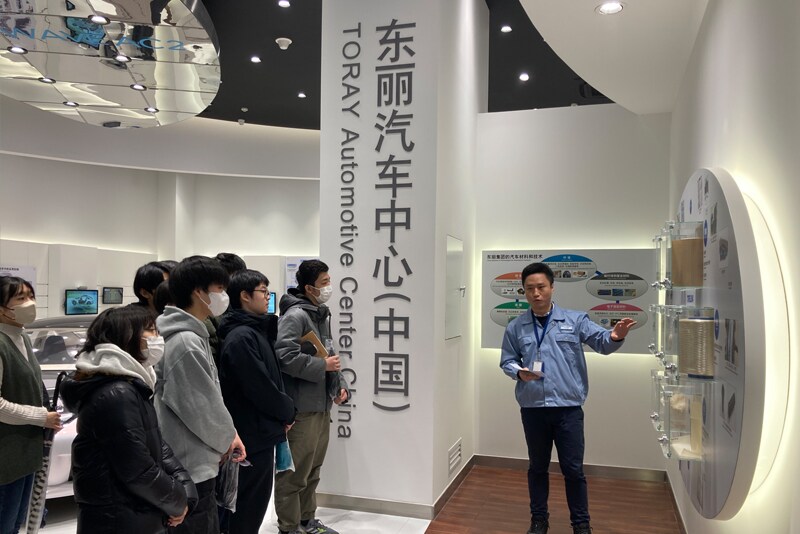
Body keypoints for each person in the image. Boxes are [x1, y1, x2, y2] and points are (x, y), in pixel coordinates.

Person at [500, 262, 636, 534]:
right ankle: (539, 520)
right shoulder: (516, 326)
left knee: (573, 470)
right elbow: (507, 360)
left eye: (541, 287)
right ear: (523, 292)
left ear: (552, 287)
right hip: (533, 408)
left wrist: (615, 336)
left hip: (568, 410)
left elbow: (602, 342)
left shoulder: (575, 320)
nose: (536, 293)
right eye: (530, 289)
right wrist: (518, 373)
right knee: (537, 468)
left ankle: (581, 524)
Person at [60, 305, 197, 533]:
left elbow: (155, 444)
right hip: (118, 518)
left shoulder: (130, 385)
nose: (157, 338)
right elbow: (138, 470)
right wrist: (177, 500)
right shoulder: (116, 393)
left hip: (134, 513)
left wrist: (184, 488)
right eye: (151, 331)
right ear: (127, 337)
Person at [154, 255, 246, 533]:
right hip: (190, 463)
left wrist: (228, 437)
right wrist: (227, 439)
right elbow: (200, 407)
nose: (223, 296)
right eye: (219, 289)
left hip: (196, 458)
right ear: (198, 291)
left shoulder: (193, 335)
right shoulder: (185, 342)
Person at [274, 260, 349, 534]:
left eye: (329, 280)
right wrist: (323, 367)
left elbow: (328, 354)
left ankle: (307, 520)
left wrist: (338, 386)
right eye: (324, 282)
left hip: (321, 406)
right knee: (293, 473)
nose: (329, 287)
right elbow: (284, 357)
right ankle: (289, 527)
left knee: (312, 471)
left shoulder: (320, 313)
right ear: (308, 287)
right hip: (302, 409)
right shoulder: (295, 316)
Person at [218, 270, 295, 534]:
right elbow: (260, 388)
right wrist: (287, 410)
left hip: (261, 433)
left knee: (254, 506)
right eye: (263, 291)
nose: (267, 297)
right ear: (244, 295)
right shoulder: (240, 337)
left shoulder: (255, 332)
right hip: (250, 438)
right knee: (245, 510)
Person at [0, 276, 62, 534]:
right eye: (21, 298)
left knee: (16, 523)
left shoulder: (22, 337)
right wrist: (40, 417)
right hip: (6, 456)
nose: (30, 303)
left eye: (31, 295)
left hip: (26, 452)